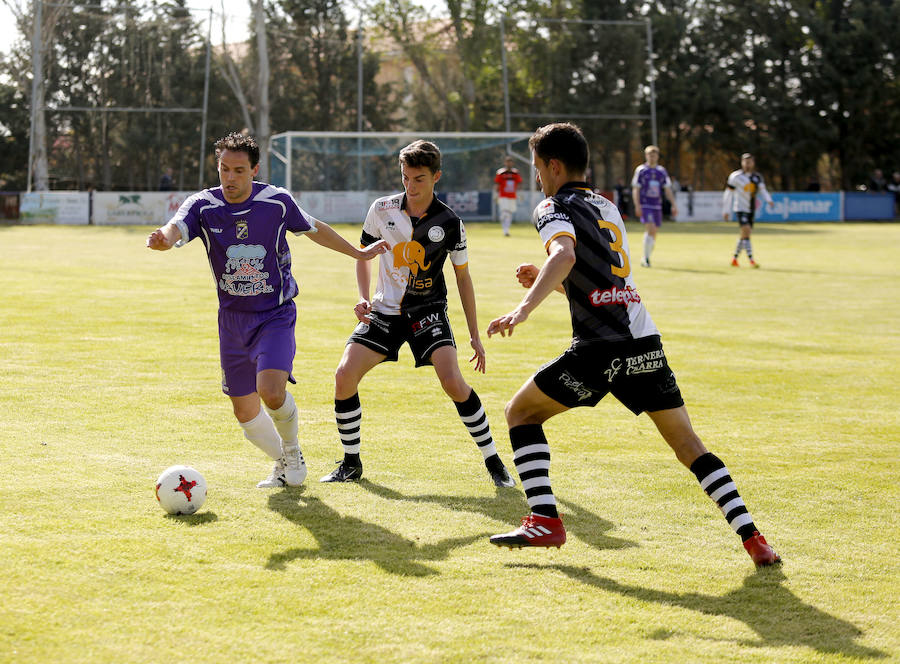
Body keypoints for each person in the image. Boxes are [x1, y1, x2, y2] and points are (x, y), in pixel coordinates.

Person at [485, 123, 779, 567]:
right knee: (689, 447)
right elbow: (604, 285)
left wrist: (523, 307)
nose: (536, 178)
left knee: (521, 413)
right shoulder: (607, 204)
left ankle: (545, 519)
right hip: (644, 342)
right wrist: (554, 283)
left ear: (554, 165)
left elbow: (563, 256)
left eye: (537, 169)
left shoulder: (551, 206)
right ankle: (754, 539)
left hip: (600, 349)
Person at [146, 132, 387, 488]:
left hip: (275, 313)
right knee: (244, 412)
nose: (230, 178)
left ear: (254, 170)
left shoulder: (276, 202)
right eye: (224, 169)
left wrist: (359, 252)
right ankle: (280, 462)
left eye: (239, 170)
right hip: (231, 320)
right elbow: (175, 228)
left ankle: (292, 451)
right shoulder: (203, 205)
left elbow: (314, 228)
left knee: (271, 391)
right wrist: (163, 239)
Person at [321, 140, 515, 488]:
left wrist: (474, 335)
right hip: (383, 311)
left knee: (453, 382)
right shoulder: (381, 209)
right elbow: (363, 254)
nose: (410, 187)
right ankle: (351, 464)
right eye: (405, 178)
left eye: (419, 179)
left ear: (436, 176)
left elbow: (463, 278)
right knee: (343, 375)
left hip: (428, 311)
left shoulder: (450, 222)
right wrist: (362, 298)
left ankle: (494, 462)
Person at [723, 152, 773, 268]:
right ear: (742, 163)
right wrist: (726, 210)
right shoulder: (735, 177)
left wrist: (769, 199)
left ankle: (735, 258)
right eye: (745, 162)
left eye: (749, 162)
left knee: (745, 235)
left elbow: (762, 190)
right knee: (746, 230)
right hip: (740, 208)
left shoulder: (757, 177)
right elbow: (728, 194)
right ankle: (751, 260)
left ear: (753, 163)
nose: (747, 164)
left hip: (751, 209)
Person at [631, 145, 677, 268]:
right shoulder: (641, 170)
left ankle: (646, 256)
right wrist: (637, 205)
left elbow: (667, 189)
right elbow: (636, 189)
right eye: (650, 155)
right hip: (645, 204)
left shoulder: (661, 171)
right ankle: (646, 259)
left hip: (657, 205)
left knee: (654, 232)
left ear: (657, 156)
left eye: (654, 154)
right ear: (646, 156)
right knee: (650, 228)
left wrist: (673, 205)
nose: (652, 157)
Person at [494, 155, 523, 236]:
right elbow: (497, 184)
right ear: (505, 163)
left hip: (512, 196)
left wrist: (520, 194)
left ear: (512, 163)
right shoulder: (500, 172)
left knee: (509, 213)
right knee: (505, 213)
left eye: (510, 162)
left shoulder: (515, 173)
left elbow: (519, 184)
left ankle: (506, 230)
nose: (509, 163)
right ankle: (505, 229)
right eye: (507, 161)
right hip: (503, 196)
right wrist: (496, 194)